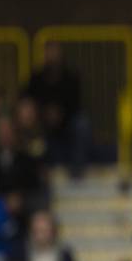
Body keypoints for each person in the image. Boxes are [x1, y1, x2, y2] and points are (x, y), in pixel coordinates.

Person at [26, 42, 87, 176]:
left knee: (81, 124)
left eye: (55, 52)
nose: (53, 56)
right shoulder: (36, 77)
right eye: (49, 52)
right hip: (41, 122)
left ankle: (77, 171)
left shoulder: (71, 77)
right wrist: (44, 113)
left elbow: (77, 104)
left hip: (67, 121)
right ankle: (38, 171)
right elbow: (29, 100)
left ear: (61, 55)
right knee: (31, 128)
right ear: (45, 55)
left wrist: (60, 114)